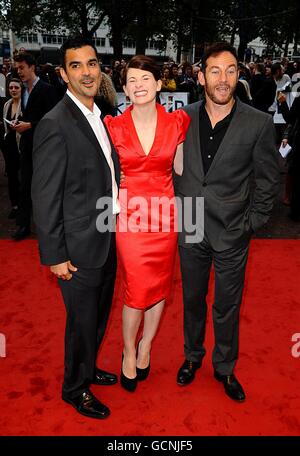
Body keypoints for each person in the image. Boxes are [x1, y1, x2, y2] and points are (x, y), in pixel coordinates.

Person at [174, 42, 279, 402]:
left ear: (239, 75)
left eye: (231, 70)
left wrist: (253, 221)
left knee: (227, 304)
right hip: (189, 225)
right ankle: (192, 356)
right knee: (192, 299)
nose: (223, 79)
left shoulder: (259, 123)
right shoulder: (181, 118)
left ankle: (224, 367)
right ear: (201, 76)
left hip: (233, 229)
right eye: (215, 71)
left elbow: (268, 179)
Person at [31, 36, 120, 419]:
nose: (86, 72)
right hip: (77, 246)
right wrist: (55, 255)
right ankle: (74, 388)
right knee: (81, 322)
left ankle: (88, 368)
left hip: (105, 234)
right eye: (77, 66)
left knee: (98, 315)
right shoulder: (55, 123)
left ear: (100, 68)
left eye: (92, 63)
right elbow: (45, 194)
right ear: (64, 73)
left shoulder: (98, 113)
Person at [104, 55, 190, 392]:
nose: (138, 85)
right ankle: (127, 350)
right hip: (130, 216)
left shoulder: (177, 123)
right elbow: (102, 170)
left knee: (159, 290)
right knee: (136, 289)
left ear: (158, 84)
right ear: (124, 88)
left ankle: (146, 346)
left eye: (145, 79)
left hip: (165, 216)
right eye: (132, 81)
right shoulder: (113, 126)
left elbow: (181, 170)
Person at [11, 52, 57, 240]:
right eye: (17, 68)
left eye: (22, 67)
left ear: (32, 67)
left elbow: (54, 120)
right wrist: (19, 123)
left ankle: (48, 226)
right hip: (27, 146)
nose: (19, 71)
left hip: (44, 148)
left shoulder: (47, 90)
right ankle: (23, 226)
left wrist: (30, 125)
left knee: (45, 188)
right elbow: (28, 115)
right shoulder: (23, 90)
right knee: (25, 186)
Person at [2, 78, 22, 218]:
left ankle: (25, 206)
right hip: (9, 144)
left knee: (25, 177)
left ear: (21, 89)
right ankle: (15, 206)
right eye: (11, 88)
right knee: (12, 177)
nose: (13, 90)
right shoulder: (6, 105)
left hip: (21, 144)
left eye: (16, 87)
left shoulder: (25, 105)